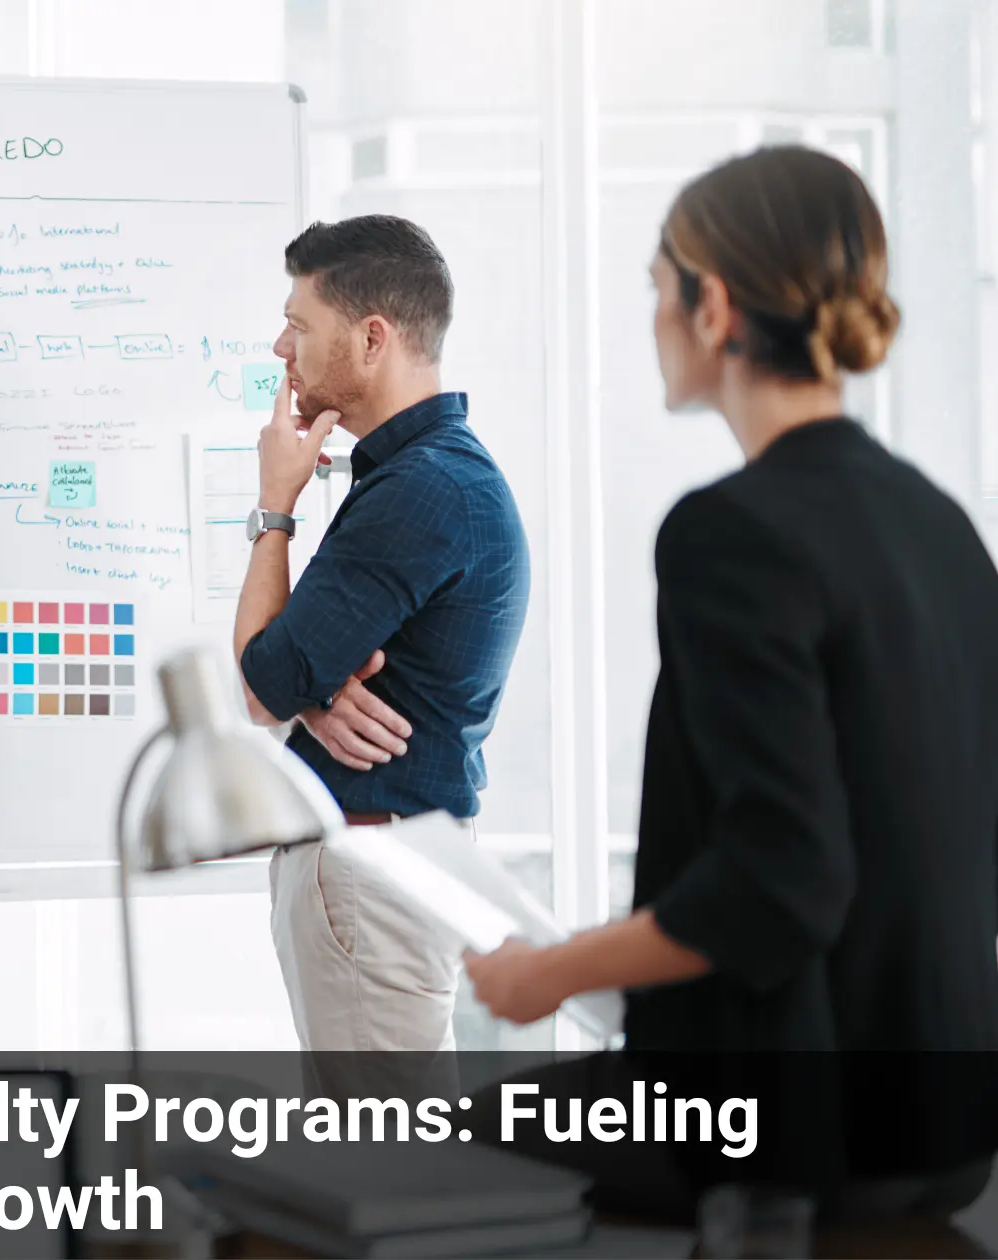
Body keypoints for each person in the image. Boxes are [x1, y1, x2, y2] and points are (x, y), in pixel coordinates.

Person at [464, 145, 998, 1219]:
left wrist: (551, 974)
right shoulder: (939, 528)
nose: (652, 315)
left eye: (657, 288)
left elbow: (780, 882)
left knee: (430, 1134)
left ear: (711, 306)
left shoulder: (729, 533)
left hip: (790, 1137)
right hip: (949, 1128)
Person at [233, 216, 532, 1059]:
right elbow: (292, 677)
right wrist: (317, 691)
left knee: (384, 1162)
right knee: (380, 1157)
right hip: (382, 867)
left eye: (300, 323)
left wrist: (275, 506)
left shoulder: (422, 492)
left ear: (372, 338)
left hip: (376, 871)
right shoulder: (427, 477)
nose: (281, 346)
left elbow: (262, 683)